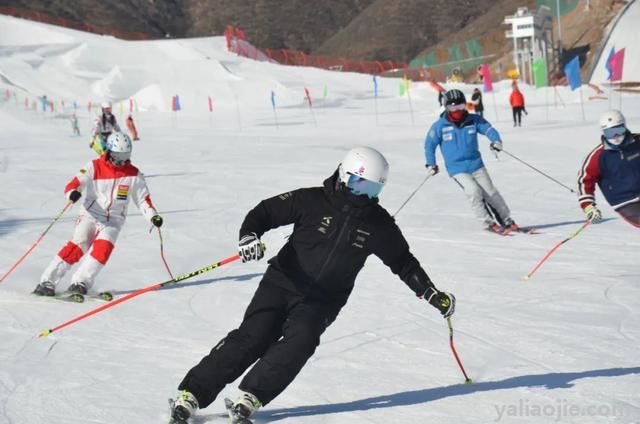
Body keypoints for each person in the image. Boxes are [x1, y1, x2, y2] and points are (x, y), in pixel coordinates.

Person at [169, 147, 456, 423]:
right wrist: (249, 236)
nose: (363, 194)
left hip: (323, 300)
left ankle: (251, 396)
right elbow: (264, 212)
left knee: (302, 340)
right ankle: (192, 393)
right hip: (282, 282)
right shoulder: (312, 200)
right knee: (253, 336)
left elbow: (403, 262)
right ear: (344, 175)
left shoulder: (378, 224)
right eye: (359, 185)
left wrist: (429, 292)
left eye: (372, 189)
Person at [33, 132, 163, 297]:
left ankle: (80, 282)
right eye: (117, 156)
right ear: (109, 151)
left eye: (125, 156)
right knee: (78, 246)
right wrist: (73, 193)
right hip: (91, 214)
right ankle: (47, 281)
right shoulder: (94, 166)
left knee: (103, 250)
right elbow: (75, 183)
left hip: (113, 220)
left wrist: (153, 216)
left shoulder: (133, 174)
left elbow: (144, 199)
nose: (121, 161)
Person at [424, 89, 518, 233]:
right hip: (457, 169)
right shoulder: (439, 126)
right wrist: (431, 164)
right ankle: (487, 223)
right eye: (453, 107)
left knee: (491, 192)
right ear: (446, 107)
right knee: (473, 191)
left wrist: (496, 141)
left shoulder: (473, 120)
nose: (457, 111)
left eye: (461, 107)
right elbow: (429, 145)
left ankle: (507, 220)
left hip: (476, 164)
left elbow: (488, 129)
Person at [577, 110, 640, 228]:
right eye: (610, 132)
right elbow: (584, 181)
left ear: (625, 127)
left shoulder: (637, 142)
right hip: (625, 202)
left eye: (618, 130)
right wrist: (589, 206)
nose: (615, 136)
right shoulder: (598, 156)